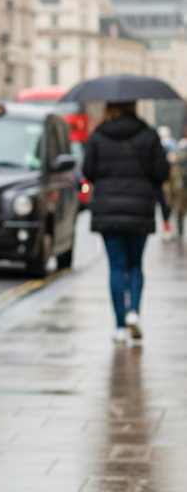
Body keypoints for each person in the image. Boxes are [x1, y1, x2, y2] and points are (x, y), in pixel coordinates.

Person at [83, 101, 170, 342]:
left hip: (108, 210)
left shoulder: (99, 135)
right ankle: (134, 313)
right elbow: (161, 173)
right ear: (134, 106)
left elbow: (88, 171)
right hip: (140, 208)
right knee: (135, 265)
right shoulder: (149, 135)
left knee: (116, 266)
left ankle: (120, 327)